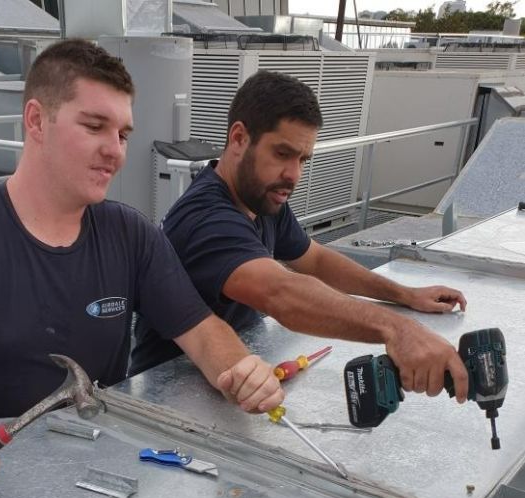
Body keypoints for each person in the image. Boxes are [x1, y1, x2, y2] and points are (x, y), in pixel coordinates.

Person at [0, 40, 282, 498]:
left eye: (123, 134)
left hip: (105, 471)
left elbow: (202, 331)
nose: (115, 151)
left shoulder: (130, 234)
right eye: (95, 126)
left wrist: (239, 369)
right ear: (36, 121)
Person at [130, 70, 470, 402]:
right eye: (282, 154)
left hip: (238, 376)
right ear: (238, 139)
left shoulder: (260, 195)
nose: (293, 175)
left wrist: (404, 295)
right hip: (171, 392)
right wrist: (398, 329)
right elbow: (282, 294)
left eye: (302, 159)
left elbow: (316, 259)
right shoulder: (206, 219)